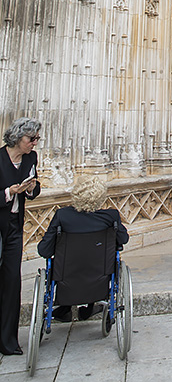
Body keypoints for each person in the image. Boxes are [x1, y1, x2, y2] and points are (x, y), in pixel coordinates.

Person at [37, 176, 129, 322]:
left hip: (66, 274)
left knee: (64, 264)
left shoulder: (63, 216)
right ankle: (90, 306)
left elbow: (44, 250)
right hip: (99, 274)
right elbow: (123, 240)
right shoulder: (110, 217)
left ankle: (65, 307)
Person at [0, 118, 41, 356]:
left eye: (36, 139)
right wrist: (8, 192)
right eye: (30, 139)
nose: (34, 144)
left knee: (12, 281)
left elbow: (35, 191)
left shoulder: (30, 159)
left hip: (14, 227)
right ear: (17, 138)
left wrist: (30, 188)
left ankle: (8, 341)